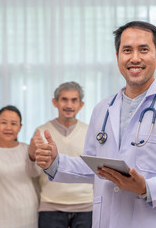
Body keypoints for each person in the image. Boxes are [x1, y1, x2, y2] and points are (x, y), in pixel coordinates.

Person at [34, 21, 156, 227]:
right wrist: (55, 162)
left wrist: (147, 187)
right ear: (118, 57)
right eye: (127, 50)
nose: (134, 58)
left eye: (143, 50)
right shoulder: (102, 109)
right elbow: (95, 168)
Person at [29, 82, 93, 228]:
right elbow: (34, 172)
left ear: (81, 104)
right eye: (64, 99)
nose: (69, 105)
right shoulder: (41, 132)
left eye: (74, 100)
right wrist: (32, 155)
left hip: (86, 206)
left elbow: (95, 169)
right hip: (50, 206)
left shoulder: (90, 132)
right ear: (55, 102)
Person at [0, 105, 40, 228]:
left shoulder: (26, 148)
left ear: (20, 127)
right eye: (3, 122)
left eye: (14, 123)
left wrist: (32, 155)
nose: (8, 128)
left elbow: (35, 173)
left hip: (28, 213)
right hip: (0, 216)